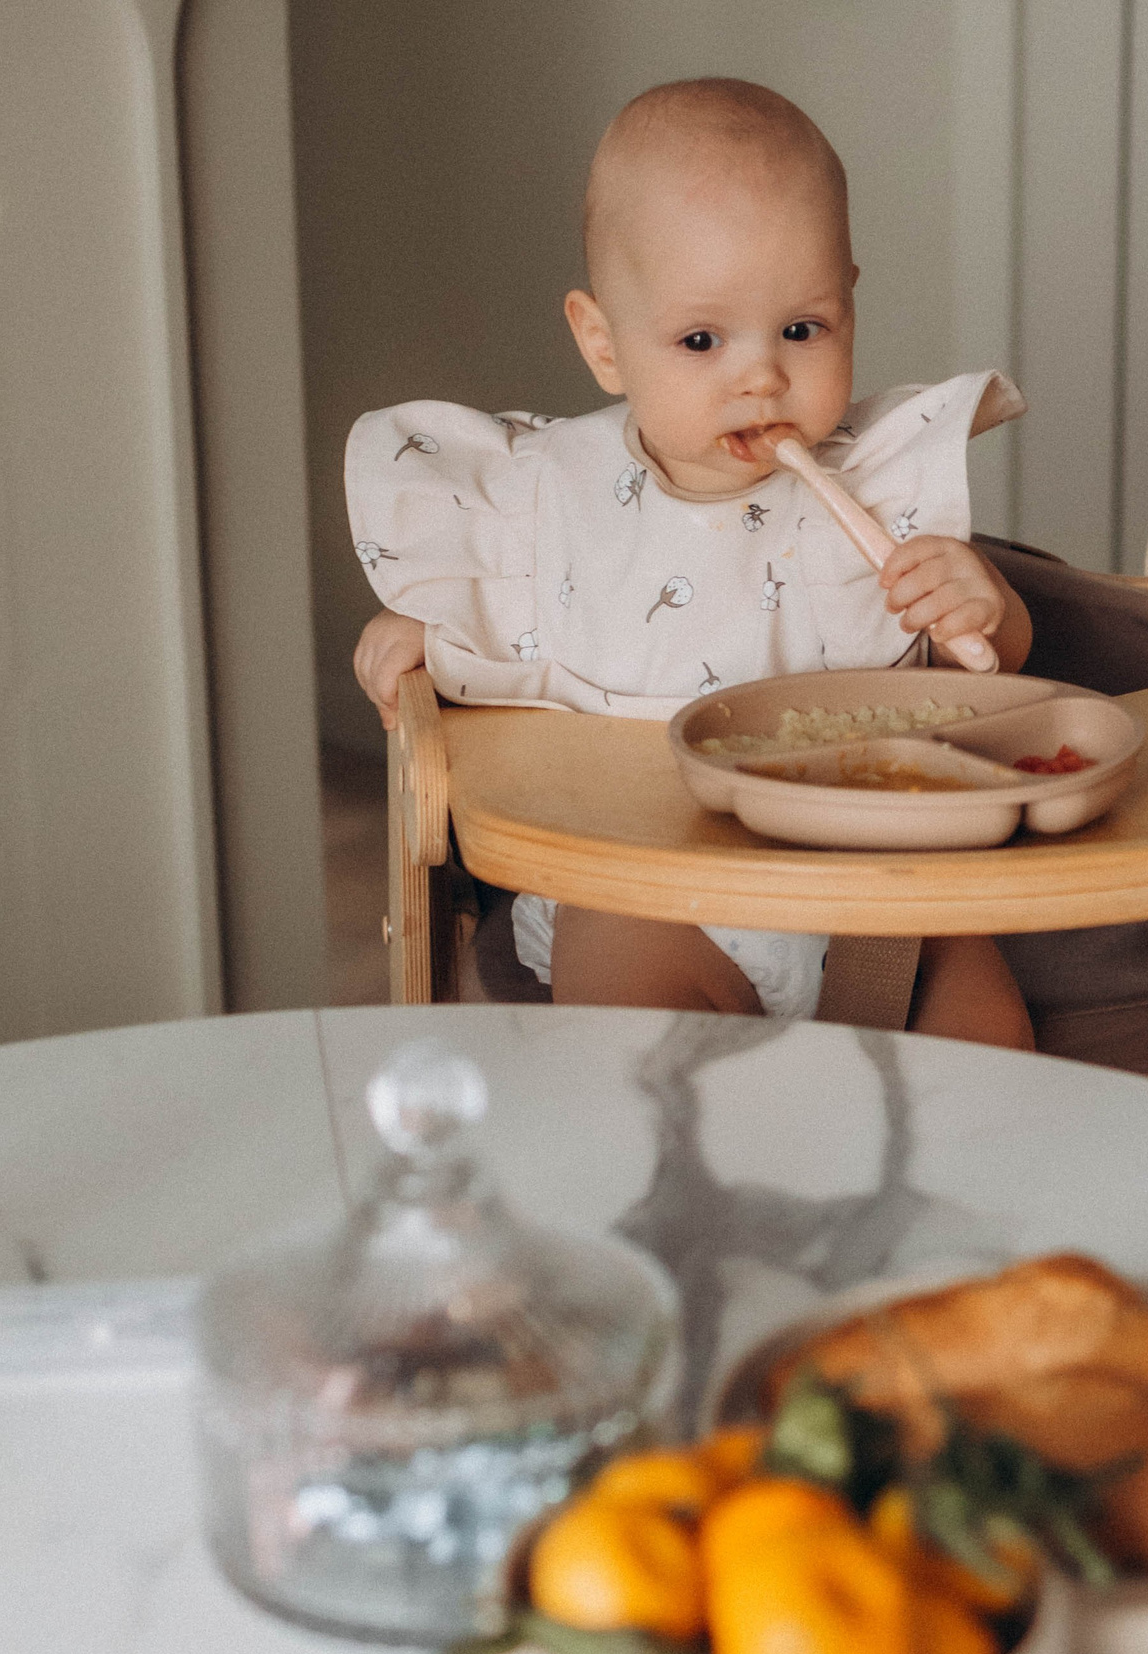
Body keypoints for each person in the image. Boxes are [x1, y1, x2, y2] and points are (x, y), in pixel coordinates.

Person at [346, 77, 1034, 1048]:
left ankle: (951, 1177)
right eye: (701, 339)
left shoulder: (877, 489)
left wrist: (984, 607)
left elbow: (996, 670)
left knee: (996, 1047)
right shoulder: (546, 498)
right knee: (643, 1064)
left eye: (801, 329)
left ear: (847, 303)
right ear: (604, 343)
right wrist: (424, 630)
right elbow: (489, 617)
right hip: (647, 891)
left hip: (873, 887)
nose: (760, 375)